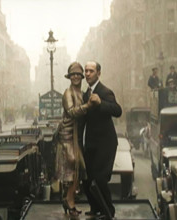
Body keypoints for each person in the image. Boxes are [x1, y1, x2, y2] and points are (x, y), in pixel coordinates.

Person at [80, 61, 122, 219]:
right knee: (87, 178)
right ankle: (95, 208)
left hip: (106, 144)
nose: (87, 74)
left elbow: (117, 110)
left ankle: (108, 211)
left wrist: (101, 103)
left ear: (98, 73)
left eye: (91, 71)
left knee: (100, 179)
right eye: (86, 71)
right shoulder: (86, 94)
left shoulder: (104, 91)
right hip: (91, 144)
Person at [55, 61, 94, 217]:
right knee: (71, 170)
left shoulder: (82, 93)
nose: (76, 76)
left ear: (82, 77)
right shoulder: (68, 93)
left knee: (77, 171)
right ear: (69, 77)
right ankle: (68, 201)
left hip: (76, 136)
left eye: (78, 74)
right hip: (67, 136)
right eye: (73, 75)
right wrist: (89, 105)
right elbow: (71, 112)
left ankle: (70, 201)